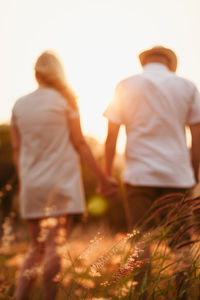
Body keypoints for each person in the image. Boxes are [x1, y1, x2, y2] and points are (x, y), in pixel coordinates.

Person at [11, 50, 117, 300]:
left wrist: (24, 182)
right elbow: (80, 143)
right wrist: (103, 179)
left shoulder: (19, 104)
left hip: (32, 184)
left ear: (36, 74)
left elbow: (17, 149)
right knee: (53, 248)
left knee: (35, 248)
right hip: (60, 183)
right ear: (58, 72)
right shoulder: (65, 102)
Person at [103, 45, 200, 232]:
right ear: (170, 63)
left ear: (144, 62)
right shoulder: (187, 86)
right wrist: (194, 172)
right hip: (177, 175)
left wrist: (107, 176)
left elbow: (111, 136)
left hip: (139, 175)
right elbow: (197, 136)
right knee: (180, 242)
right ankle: (182, 261)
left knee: (140, 243)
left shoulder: (125, 85)